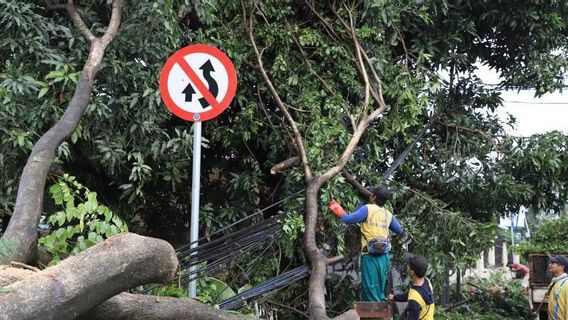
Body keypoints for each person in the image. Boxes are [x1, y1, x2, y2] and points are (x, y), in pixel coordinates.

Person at [328, 186, 403, 301]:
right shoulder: (388, 214)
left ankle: (373, 312)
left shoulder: (367, 209)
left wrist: (338, 209)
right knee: (380, 285)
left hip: (369, 256)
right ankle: (381, 308)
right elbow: (399, 229)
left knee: (370, 286)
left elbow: (348, 219)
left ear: (373, 197)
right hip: (384, 256)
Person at [387, 255, 435, 320]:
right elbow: (408, 295)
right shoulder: (426, 281)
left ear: (412, 272)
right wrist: (394, 297)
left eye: (408, 265)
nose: (407, 266)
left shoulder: (414, 298)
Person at [547, 255, 568, 320]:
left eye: (553, 263)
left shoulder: (566, 284)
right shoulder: (554, 281)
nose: (550, 265)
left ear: (561, 267)